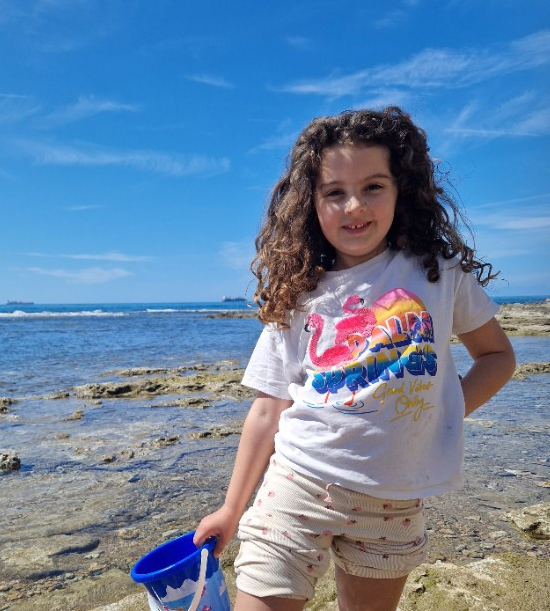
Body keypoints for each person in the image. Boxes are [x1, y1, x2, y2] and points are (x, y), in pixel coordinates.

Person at [194, 106, 515, 611]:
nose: (354, 206)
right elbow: (267, 408)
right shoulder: (299, 291)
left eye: (373, 187)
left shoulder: (438, 273)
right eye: (334, 192)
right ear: (311, 203)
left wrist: (443, 411)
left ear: (401, 191)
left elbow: (497, 356)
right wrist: (231, 510)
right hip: (295, 484)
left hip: (392, 503)